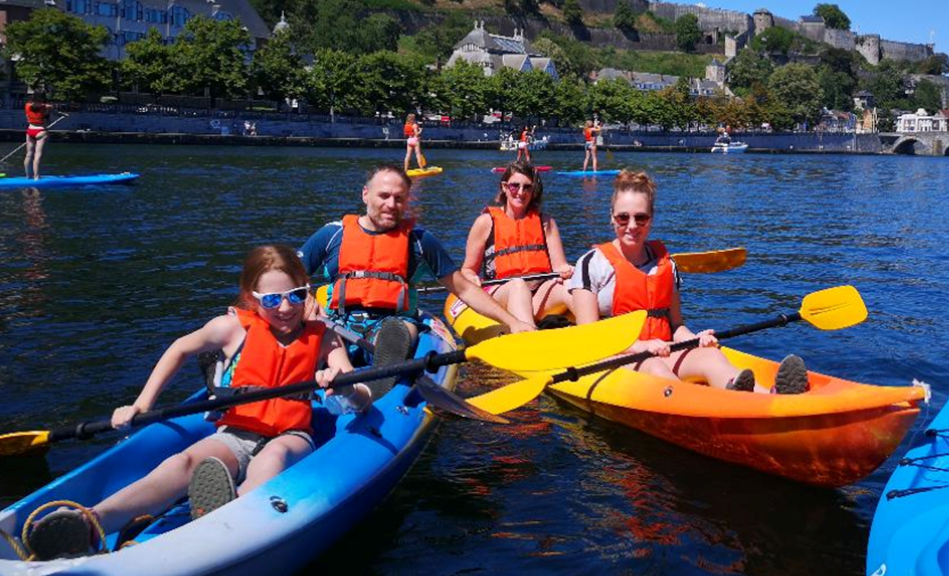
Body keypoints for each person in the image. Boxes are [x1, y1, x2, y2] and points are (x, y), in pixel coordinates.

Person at [25, 245, 371, 560]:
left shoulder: (324, 337)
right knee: (185, 462)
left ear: (305, 292)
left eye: (295, 296)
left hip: (292, 435)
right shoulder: (232, 328)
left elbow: (363, 395)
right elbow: (180, 348)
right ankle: (89, 522)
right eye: (271, 300)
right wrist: (140, 404)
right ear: (253, 298)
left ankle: (227, 513)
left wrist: (341, 386)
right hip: (237, 431)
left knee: (272, 459)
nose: (285, 308)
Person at [568, 170, 809, 394]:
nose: (632, 226)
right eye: (623, 218)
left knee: (711, 357)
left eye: (640, 218)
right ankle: (709, 408)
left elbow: (676, 327)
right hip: (613, 357)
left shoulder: (666, 264)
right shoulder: (592, 264)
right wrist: (640, 346)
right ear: (612, 218)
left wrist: (695, 339)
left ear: (651, 219)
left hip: (662, 350)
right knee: (654, 367)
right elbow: (590, 336)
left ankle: (767, 395)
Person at [300, 165, 534, 382]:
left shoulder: (420, 241)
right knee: (312, 336)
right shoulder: (332, 235)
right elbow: (288, 275)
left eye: (399, 198)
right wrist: (306, 297)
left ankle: (381, 384)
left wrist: (512, 322)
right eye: (384, 196)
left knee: (398, 333)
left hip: (391, 323)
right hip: (339, 324)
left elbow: (463, 288)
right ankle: (324, 381)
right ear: (365, 194)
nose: (391, 204)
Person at [460, 163, 574, 327]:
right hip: (501, 295)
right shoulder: (485, 223)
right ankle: (529, 338)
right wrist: (470, 276)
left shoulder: (546, 222)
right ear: (505, 187)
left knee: (569, 285)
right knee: (518, 286)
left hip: (538, 295)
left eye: (527, 187)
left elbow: (559, 266)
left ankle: (595, 331)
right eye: (515, 186)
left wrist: (566, 271)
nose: (521, 192)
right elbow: (468, 269)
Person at [24, 93, 53, 180]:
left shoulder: (27, 105)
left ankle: (28, 176)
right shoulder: (47, 107)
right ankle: (36, 177)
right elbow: (56, 112)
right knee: (38, 155)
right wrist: (63, 115)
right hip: (41, 131)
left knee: (28, 154)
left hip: (30, 130)